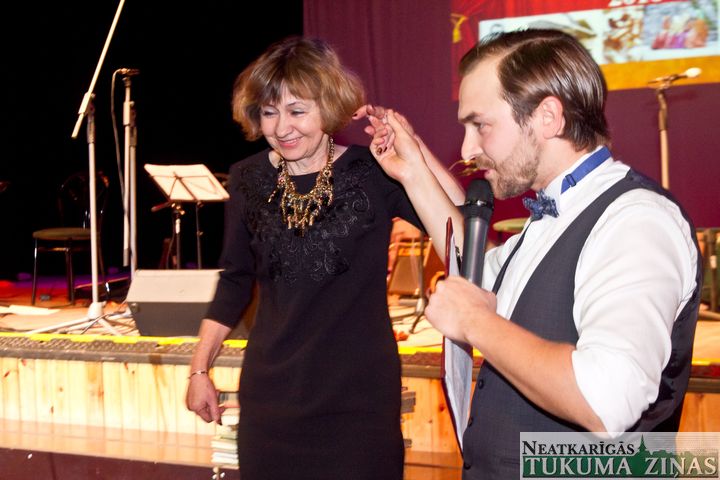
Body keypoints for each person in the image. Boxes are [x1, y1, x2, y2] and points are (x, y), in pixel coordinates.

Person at [364, 28, 702, 478]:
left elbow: (606, 401)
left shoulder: (637, 220)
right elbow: (479, 274)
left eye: (481, 125)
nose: (467, 150)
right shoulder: (556, 211)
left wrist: (476, 322)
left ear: (547, 117)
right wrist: (413, 171)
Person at [185, 36, 463, 480]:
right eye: (269, 112)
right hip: (271, 395)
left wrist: (413, 149)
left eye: (297, 111)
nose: (282, 127)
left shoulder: (372, 171)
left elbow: (459, 220)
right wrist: (199, 368)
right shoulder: (247, 178)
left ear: (329, 106)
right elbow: (235, 279)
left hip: (358, 398)